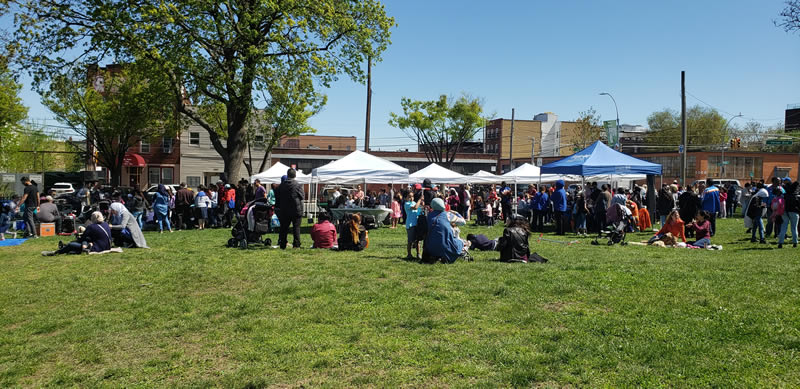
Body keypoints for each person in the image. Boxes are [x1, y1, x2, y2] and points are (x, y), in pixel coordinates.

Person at [42, 212, 112, 256]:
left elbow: (82, 238)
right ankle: (67, 246)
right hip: (107, 246)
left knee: (72, 245)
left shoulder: (91, 227)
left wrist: (76, 241)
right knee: (85, 241)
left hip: (98, 248)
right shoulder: (105, 224)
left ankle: (56, 252)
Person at [423, 198, 464, 263]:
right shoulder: (448, 215)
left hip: (430, 247)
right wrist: (456, 213)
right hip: (446, 246)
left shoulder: (429, 215)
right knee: (461, 242)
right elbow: (463, 222)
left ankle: (437, 256)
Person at [275, 168, 304, 249]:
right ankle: (296, 244)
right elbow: (302, 197)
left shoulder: (281, 186)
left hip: (284, 210)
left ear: (287, 175)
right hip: (296, 209)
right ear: (295, 175)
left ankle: (283, 244)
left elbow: (277, 196)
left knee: (284, 228)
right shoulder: (298, 185)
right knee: (296, 228)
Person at [778, 178, 799, 248]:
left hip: (785, 211)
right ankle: (795, 242)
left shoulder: (785, 194)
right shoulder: (797, 195)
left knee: (783, 227)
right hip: (794, 212)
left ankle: (780, 243)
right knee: (794, 227)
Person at [404, 190, 423, 260]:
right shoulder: (407, 204)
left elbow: (418, 209)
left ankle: (418, 254)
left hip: (416, 224)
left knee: (418, 241)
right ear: (405, 198)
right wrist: (420, 199)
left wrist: (421, 204)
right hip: (410, 224)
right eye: (409, 197)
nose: (411, 198)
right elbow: (415, 207)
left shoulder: (414, 202)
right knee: (410, 241)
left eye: (412, 196)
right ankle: (409, 254)